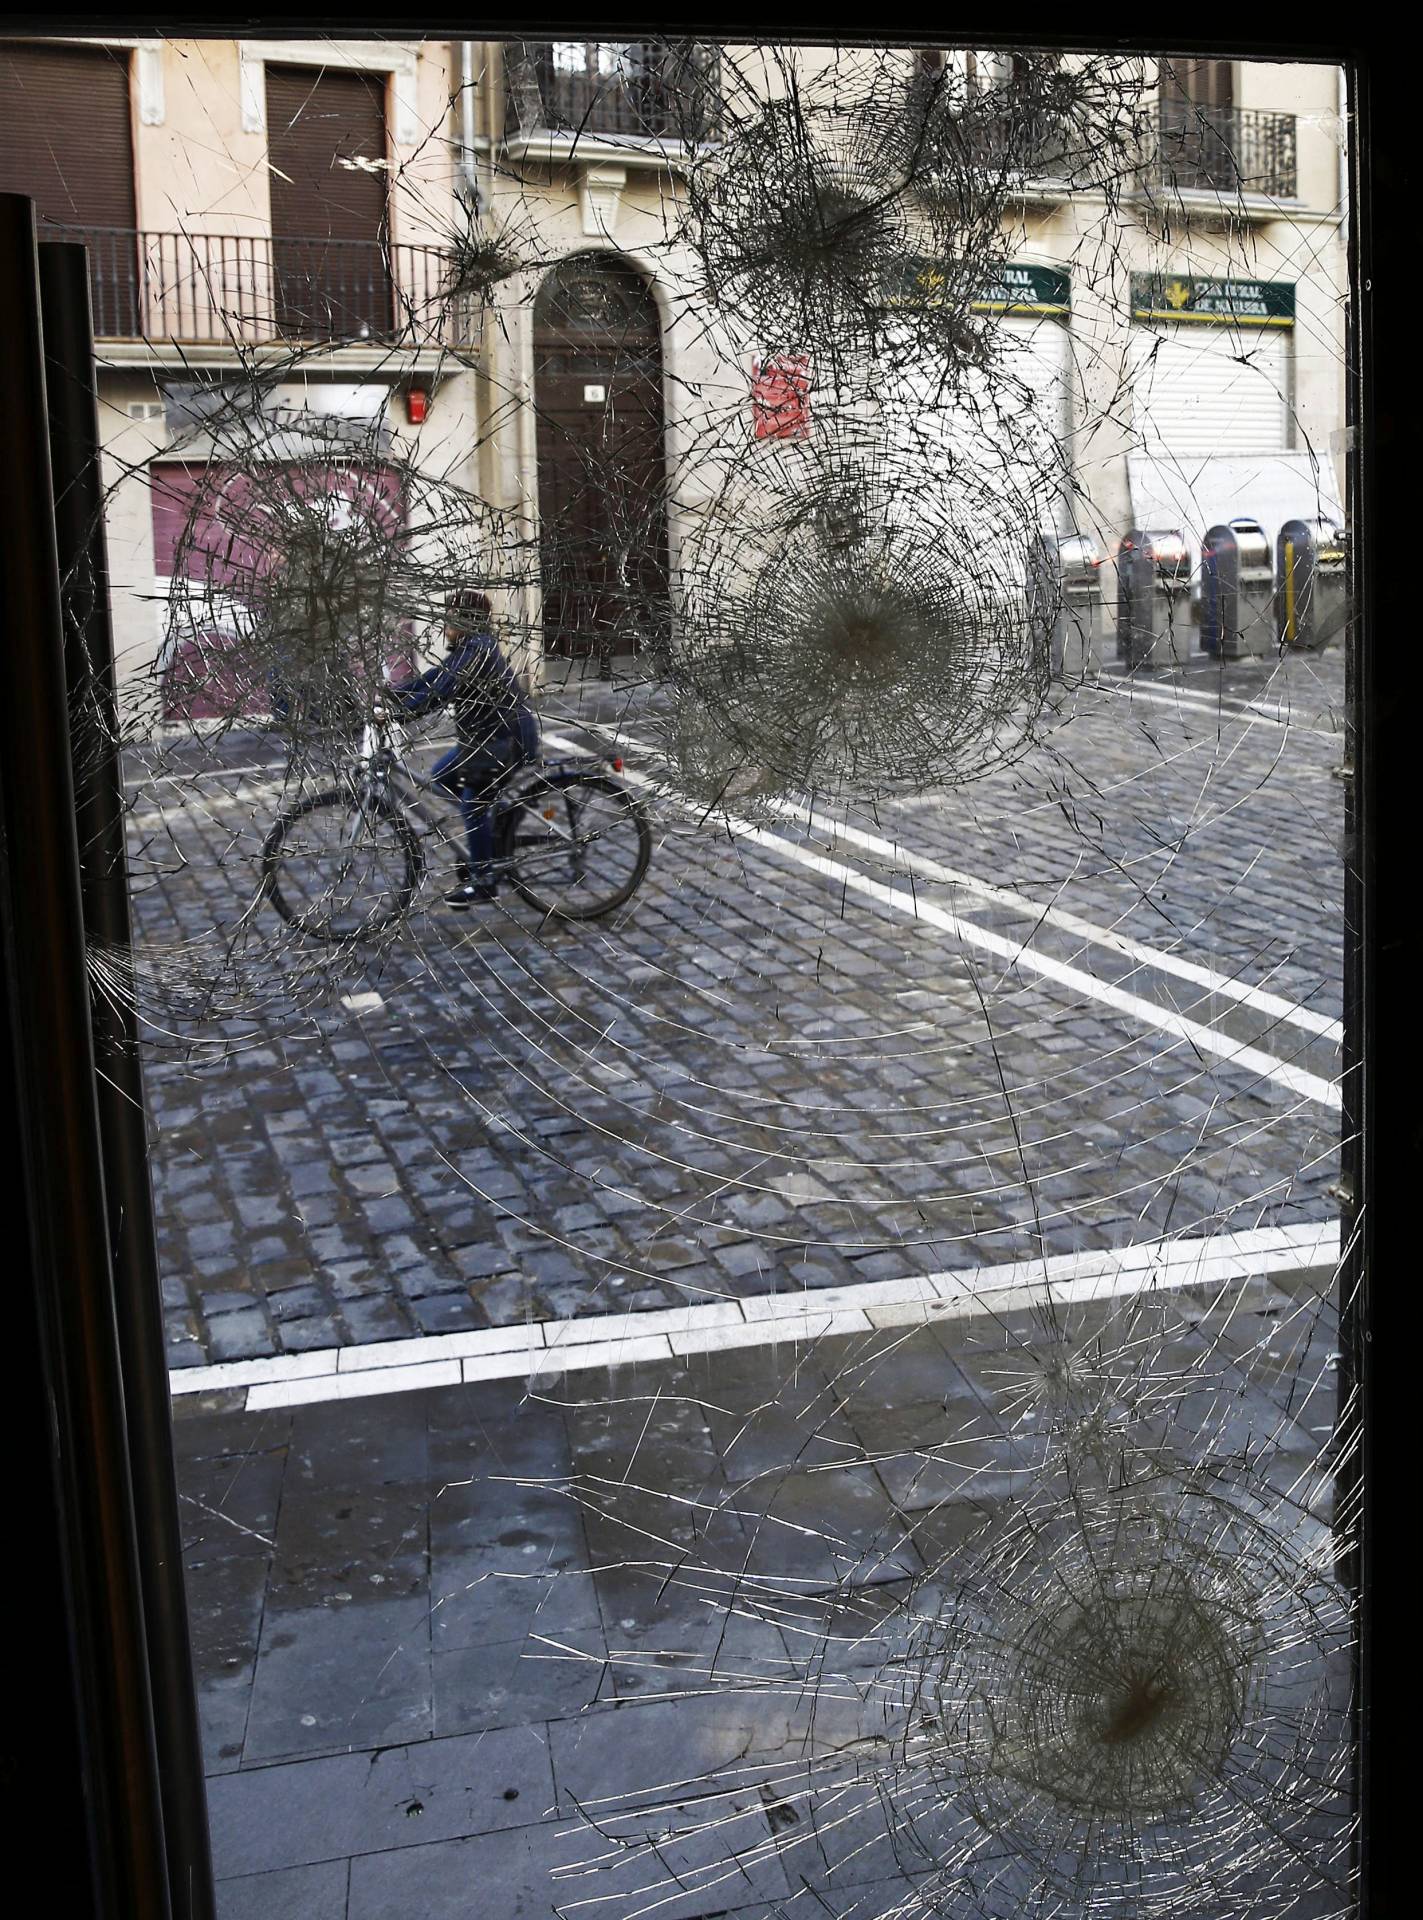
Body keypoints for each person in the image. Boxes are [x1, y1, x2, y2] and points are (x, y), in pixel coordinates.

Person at [388, 590, 540, 907]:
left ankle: (483, 883)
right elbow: (432, 679)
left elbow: (439, 693)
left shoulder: (476, 652)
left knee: (472, 804)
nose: (445, 624)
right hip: (485, 740)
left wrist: (398, 714)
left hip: (504, 740)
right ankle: (490, 828)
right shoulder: (468, 648)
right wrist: (392, 696)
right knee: (441, 774)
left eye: (450, 617)